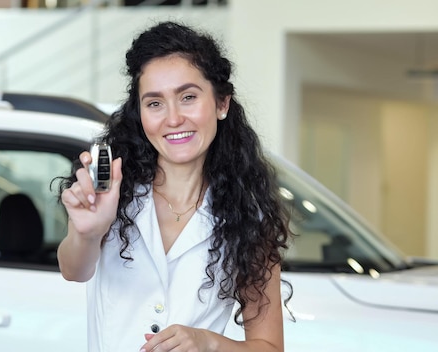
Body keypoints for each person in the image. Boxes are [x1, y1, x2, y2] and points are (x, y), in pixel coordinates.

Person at [57, 21, 291, 352]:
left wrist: (208, 342)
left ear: (222, 103)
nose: (173, 118)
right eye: (155, 103)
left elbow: (269, 347)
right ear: (140, 113)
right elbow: (74, 271)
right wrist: (87, 233)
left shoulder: (248, 218)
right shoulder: (111, 194)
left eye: (188, 97)